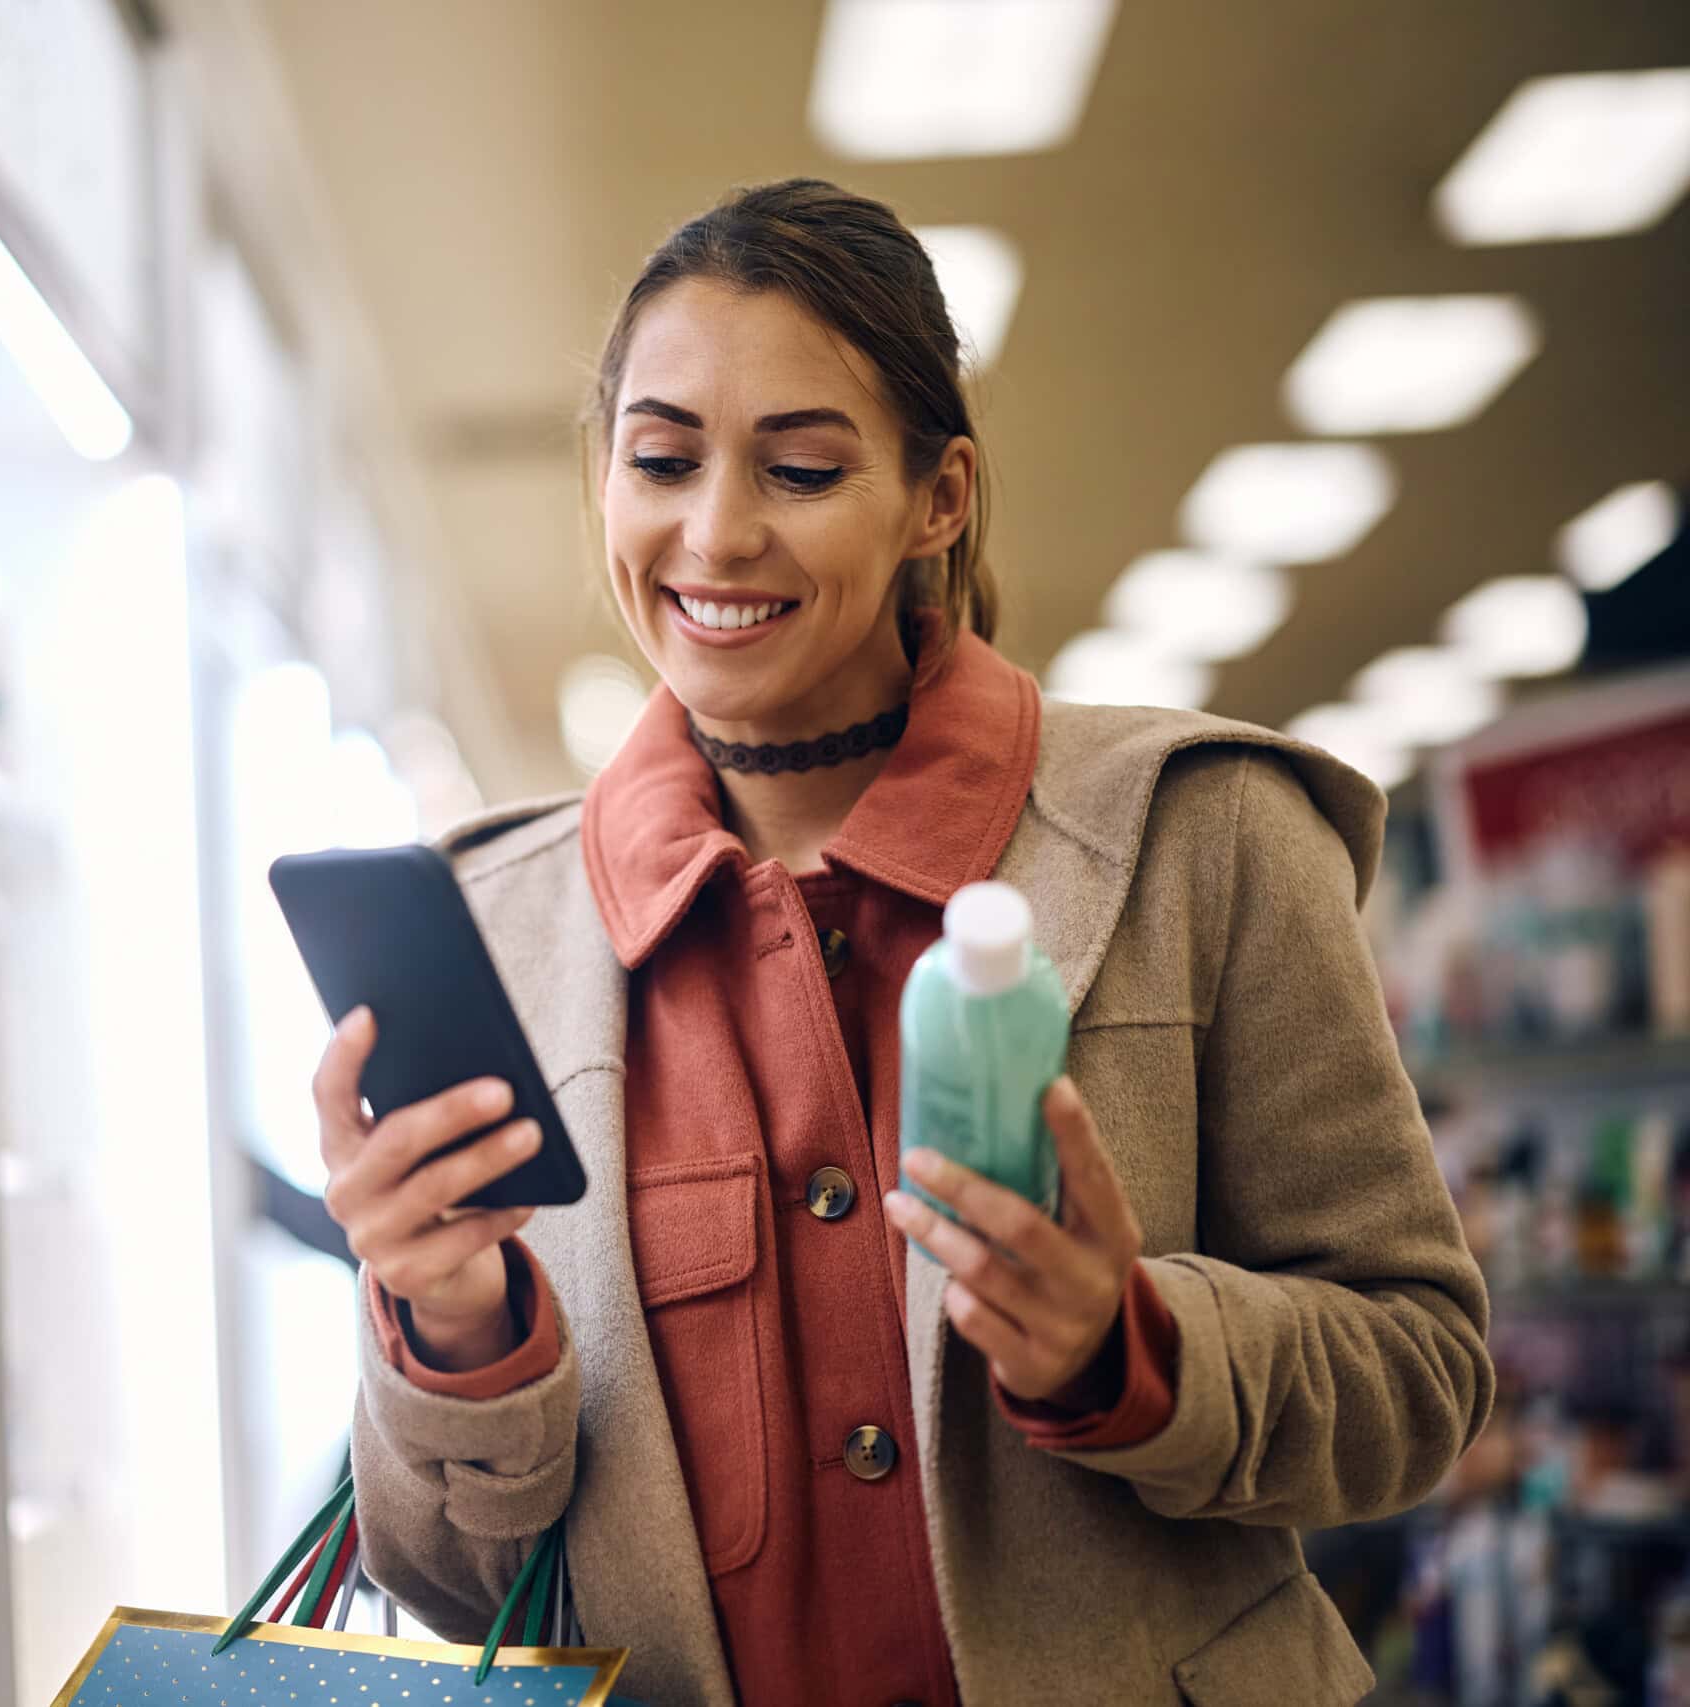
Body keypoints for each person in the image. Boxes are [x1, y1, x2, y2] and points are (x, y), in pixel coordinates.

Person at [314, 179, 1493, 1707]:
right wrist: (450, 1326)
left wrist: (1124, 1348)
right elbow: (449, 1573)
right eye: (659, 458)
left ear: (938, 500)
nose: (715, 533)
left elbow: (1420, 1374)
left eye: (800, 468)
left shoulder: (1204, 838)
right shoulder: (492, 937)